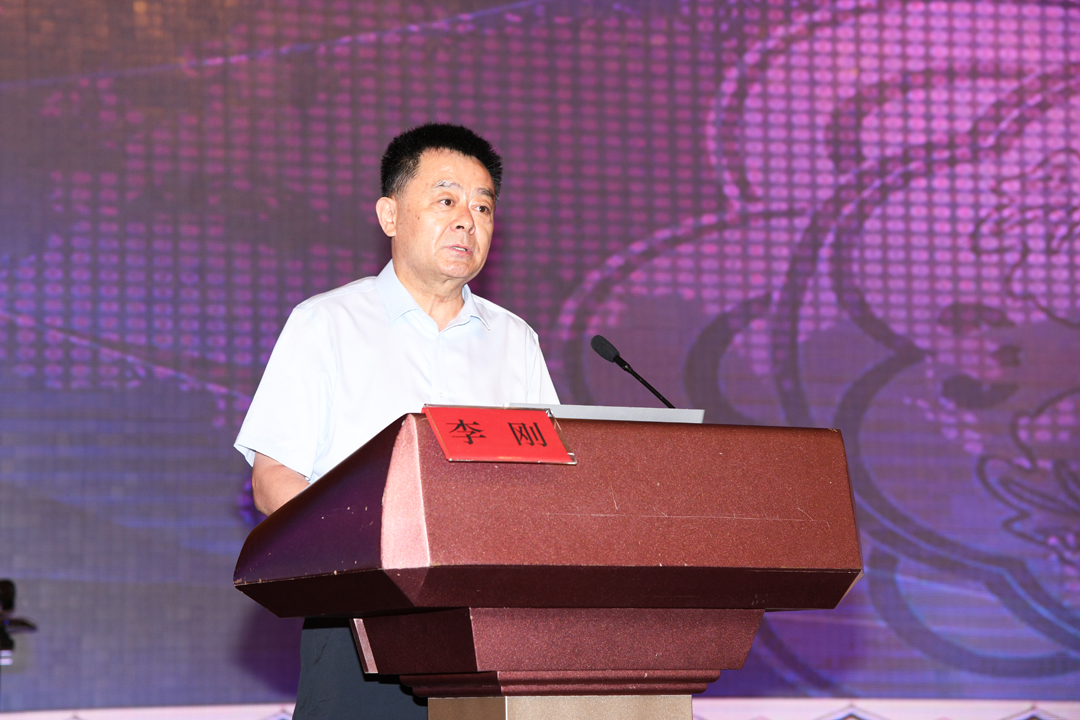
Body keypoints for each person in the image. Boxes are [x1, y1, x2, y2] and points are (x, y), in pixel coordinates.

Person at [234, 123, 560, 718]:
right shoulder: (327, 323)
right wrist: (370, 557)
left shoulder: (515, 340)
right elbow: (274, 479)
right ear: (389, 215)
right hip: (359, 622)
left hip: (488, 630)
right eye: (445, 200)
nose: (467, 221)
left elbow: (548, 482)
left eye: (482, 207)